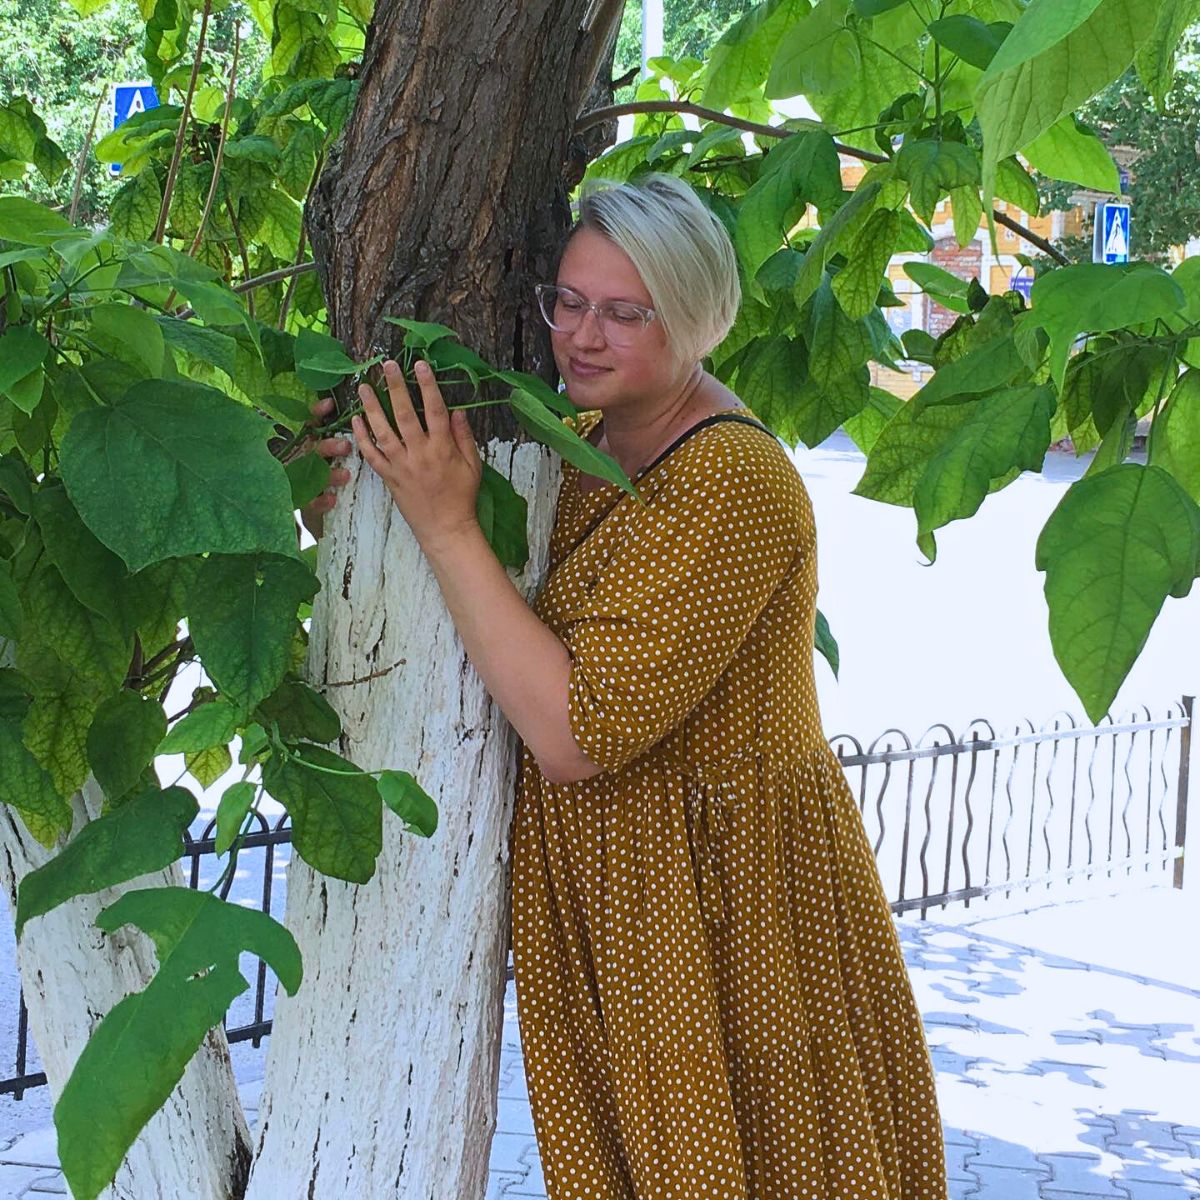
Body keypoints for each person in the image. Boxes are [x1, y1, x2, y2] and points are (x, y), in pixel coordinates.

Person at [304, 174, 948, 1199]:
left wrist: (444, 520)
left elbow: (579, 731)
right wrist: (355, 501)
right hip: (629, 897)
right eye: (568, 302)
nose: (581, 337)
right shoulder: (589, 449)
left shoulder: (730, 476)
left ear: (694, 316)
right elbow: (498, 624)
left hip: (732, 908)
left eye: (623, 312)